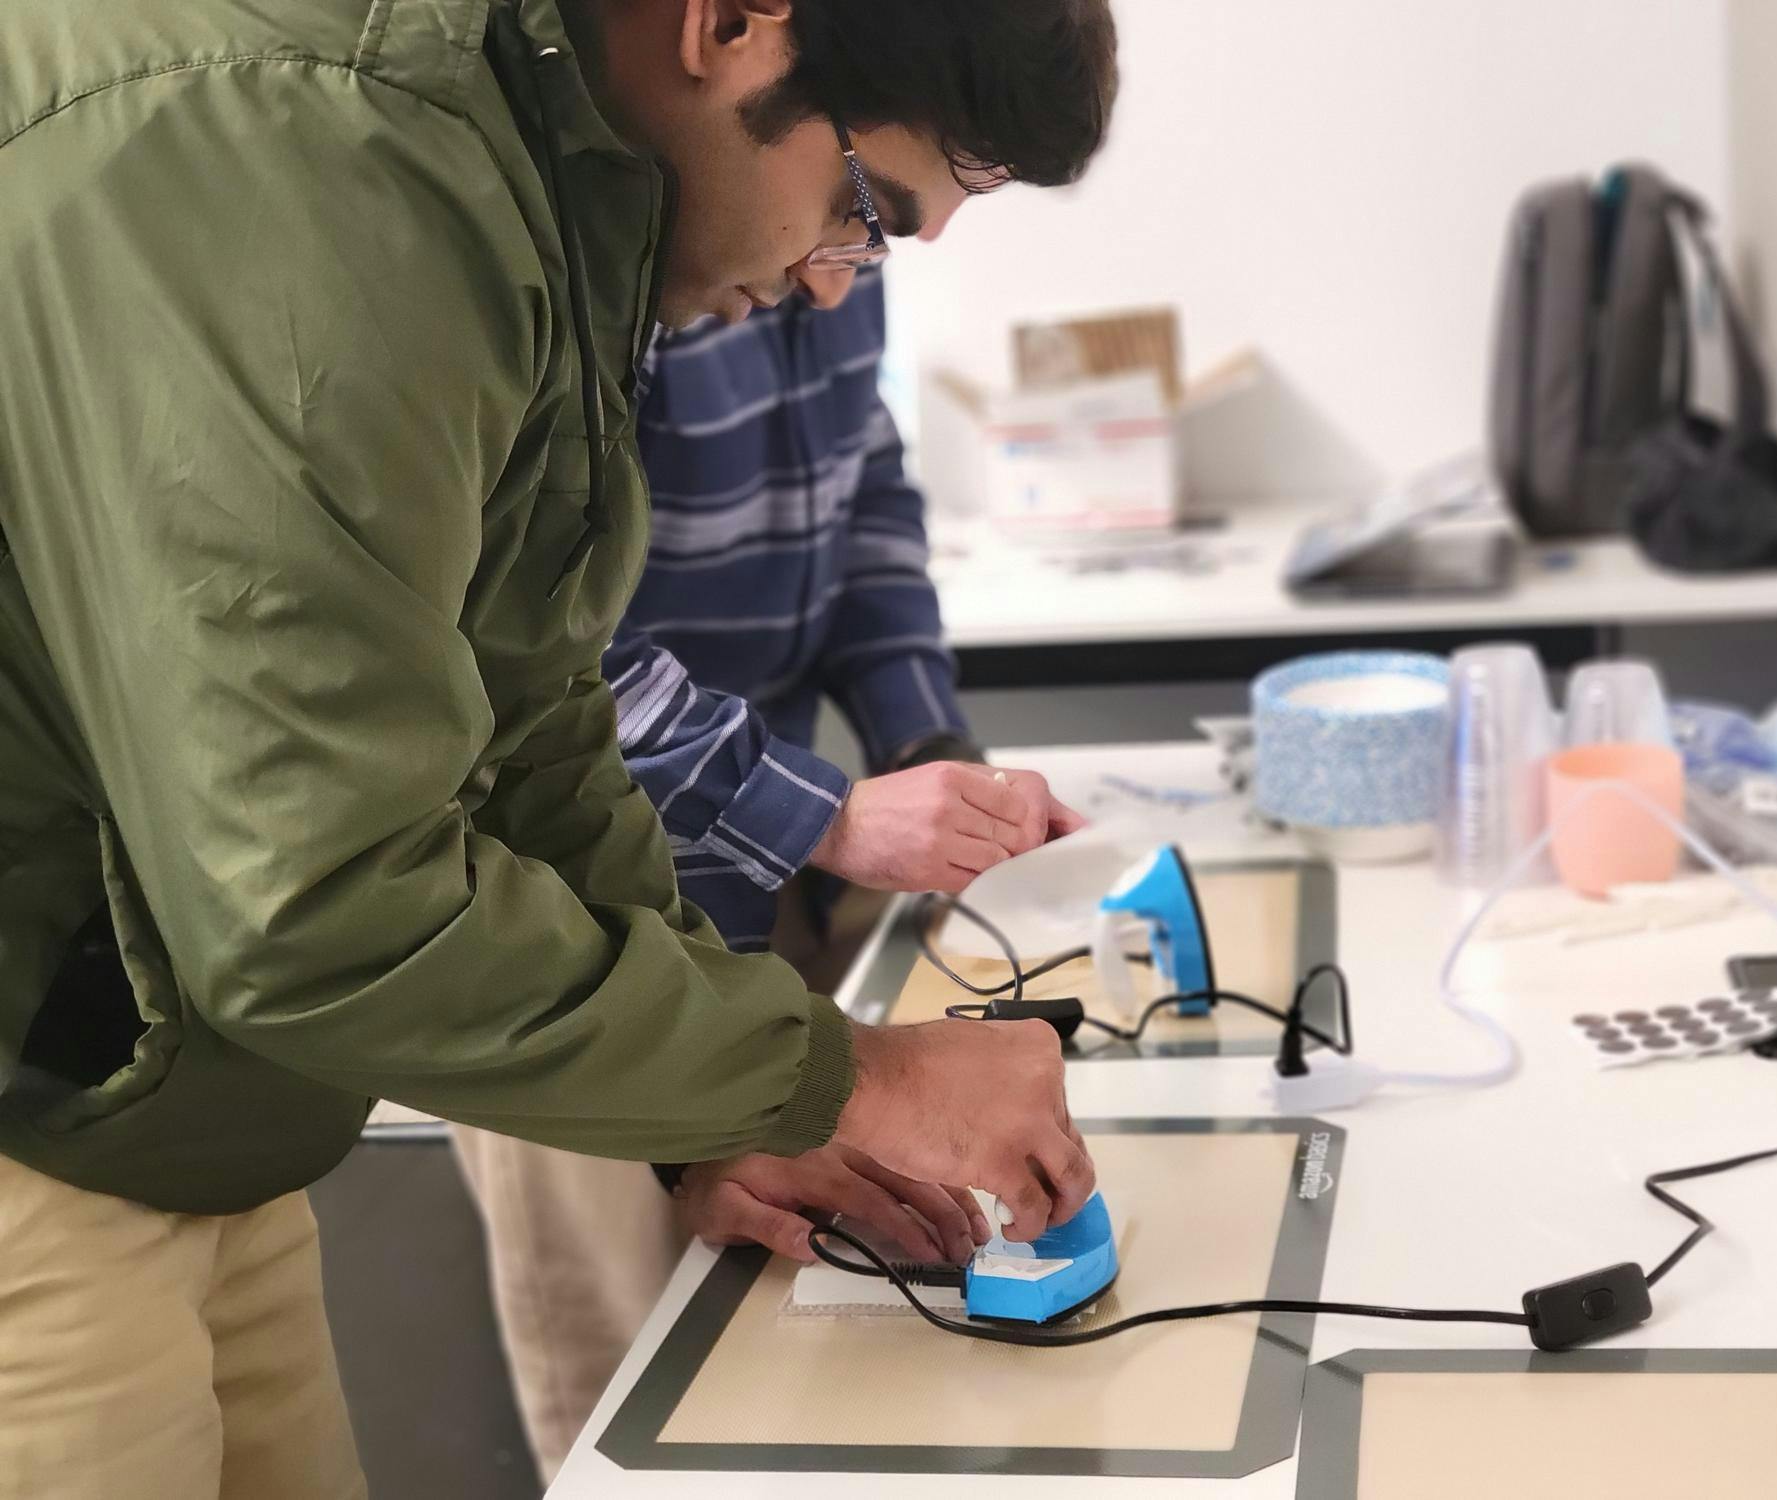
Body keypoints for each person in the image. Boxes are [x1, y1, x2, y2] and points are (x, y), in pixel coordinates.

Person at [0, 3, 1119, 1496]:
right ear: (733, 21)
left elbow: (527, 712)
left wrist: (735, 1111)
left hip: (186, 1104)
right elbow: (321, 899)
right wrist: (844, 1074)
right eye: (864, 209)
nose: (826, 282)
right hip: (45, 1128)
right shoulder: (324, 156)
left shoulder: (537, 162)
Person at [455, 260, 1080, 1478]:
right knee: (637, 1409)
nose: (851, 273)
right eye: (877, 202)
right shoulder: (580, 275)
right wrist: (824, 813)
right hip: (560, 940)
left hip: (767, 878)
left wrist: (925, 747)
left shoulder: (840, 253)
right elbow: (531, 645)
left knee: (812, 1348)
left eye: (888, 236)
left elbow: (865, 487)